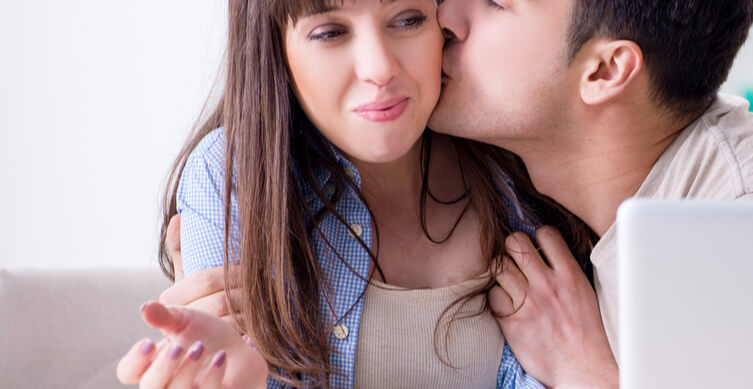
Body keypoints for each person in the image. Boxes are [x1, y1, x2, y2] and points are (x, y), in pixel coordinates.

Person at [148, 0, 753, 387]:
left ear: (604, 72)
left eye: (497, 1)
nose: (447, 19)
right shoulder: (591, 220)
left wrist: (594, 378)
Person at [116, 0, 592, 387]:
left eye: (407, 19)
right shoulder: (233, 175)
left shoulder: (515, 169)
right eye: (330, 32)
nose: (380, 68)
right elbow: (222, 364)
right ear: (275, 50)